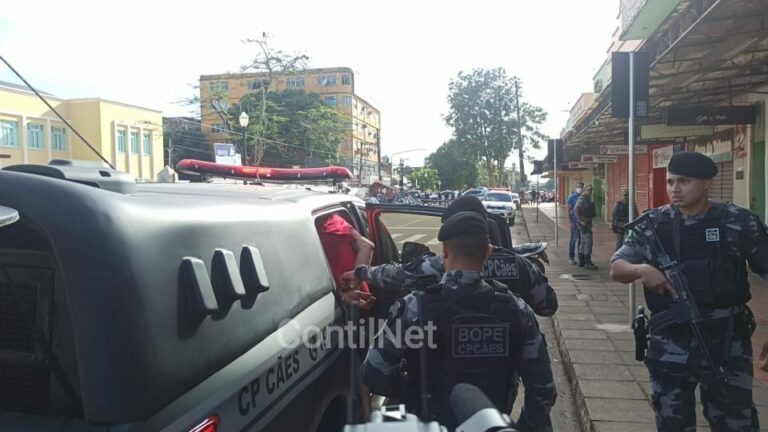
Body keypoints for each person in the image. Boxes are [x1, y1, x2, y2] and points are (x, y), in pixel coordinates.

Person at [610, 151, 768, 431]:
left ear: (706, 183)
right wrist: (643, 270)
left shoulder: (738, 222)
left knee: (737, 422)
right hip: (670, 346)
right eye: (670, 182)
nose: (674, 189)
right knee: (672, 424)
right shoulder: (653, 225)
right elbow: (618, 267)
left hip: (726, 343)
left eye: (684, 181)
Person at [361, 211, 556, 430]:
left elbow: (374, 372)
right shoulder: (518, 310)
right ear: (488, 252)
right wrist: (525, 426)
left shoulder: (415, 308)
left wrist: (413, 393)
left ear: (444, 250)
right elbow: (543, 390)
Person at [340, 196, 558, 317]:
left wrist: (361, 272)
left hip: (440, 388)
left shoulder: (435, 267)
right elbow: (548, 307)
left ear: (446, 247)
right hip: (499, 389)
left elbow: (393, 275)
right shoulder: (519, 266)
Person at [317, 213, 376, 310]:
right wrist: (355, 282)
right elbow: (366, 245)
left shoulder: (303, 232)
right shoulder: (335, 221)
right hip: (356, 295)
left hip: (331, 300)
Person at [574, 184, 597, 269]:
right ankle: (587, 261)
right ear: (584, 190)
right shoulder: (582, 198)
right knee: (588, 242)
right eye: (588, 190)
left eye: (591, 190)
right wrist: (580, 220)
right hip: (584, 223)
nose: (590, 192)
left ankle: (582, 260)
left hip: (587, 222)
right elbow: (576, 209)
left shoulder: (587, 199)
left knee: (583, 242)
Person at [567, 183, 584, 265]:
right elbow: (569, 211)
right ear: (576, 187)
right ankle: (571, 257)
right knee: (573, 240)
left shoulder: (584, 197)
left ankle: (581, 258)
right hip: (575, 222)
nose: (579, 188)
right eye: (578, 187)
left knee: (581, 241)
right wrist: (571, 222)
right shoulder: (572, 197)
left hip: (583, 223)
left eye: (581, 187)